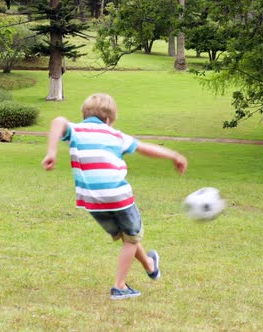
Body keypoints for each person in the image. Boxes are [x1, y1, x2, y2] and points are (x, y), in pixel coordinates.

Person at [42, 93, 188, 299]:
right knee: (131, 238)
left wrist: (51, 152)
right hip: (118, 197)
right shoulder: (115, 135)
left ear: (85, 114)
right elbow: (144, 149)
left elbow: (58, 121)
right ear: (109, 119)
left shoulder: (76, 130)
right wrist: (174, 155)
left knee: (128, 235)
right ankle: (119, 286)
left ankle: (149, 264)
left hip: (91, 201)